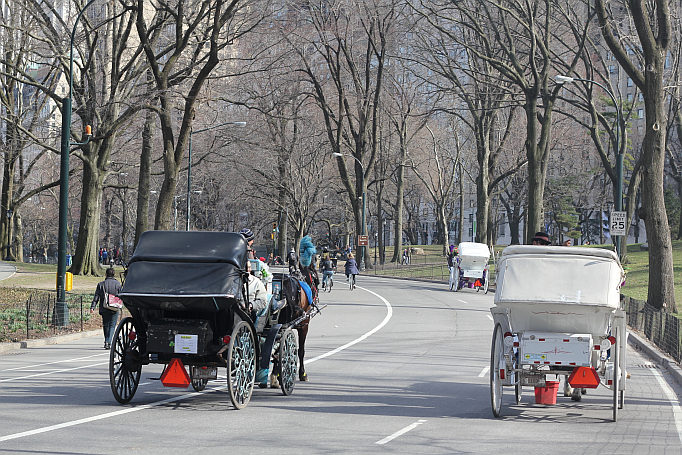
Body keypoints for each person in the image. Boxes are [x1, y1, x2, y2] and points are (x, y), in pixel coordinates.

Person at [90, 267, 122, 350]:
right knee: (112, 325)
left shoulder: (101, 284)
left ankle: (106, 341)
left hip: (104, 307)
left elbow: (96, 296)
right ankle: (108, 341)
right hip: (114, 307)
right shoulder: (118, 284)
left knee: (105, 324)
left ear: (106, 274)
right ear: (114, 274)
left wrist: (93, 306)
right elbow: (121, 295)